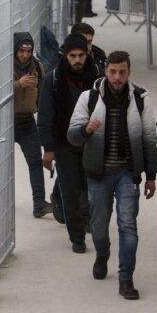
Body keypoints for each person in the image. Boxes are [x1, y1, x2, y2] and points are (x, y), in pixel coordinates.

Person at [67, 51, 157, 300]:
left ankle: (125, 278)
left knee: (128, 225)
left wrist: (151, 175)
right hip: (97, 174)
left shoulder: (140, 98)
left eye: (122, 72)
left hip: (128, 173)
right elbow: (72, 135)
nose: (117, 77)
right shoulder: (90, 97)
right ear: (106, 71)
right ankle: (102, 253)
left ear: (129, 72)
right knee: (98, 226)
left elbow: (149, 138)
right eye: (113, 72)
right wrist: (86, 130)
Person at [38, 34, 100, 253]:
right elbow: (45, 116)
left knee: (90, 188)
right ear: (66, 56)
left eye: (81, 55)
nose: (77, 60)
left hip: (91, 142)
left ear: (87, 55)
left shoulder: (97, 78)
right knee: (71, 191)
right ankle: (77, 236)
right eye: (73, 56)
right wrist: (49, 149)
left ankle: (87, 221)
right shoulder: (53, 79)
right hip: (64, 144)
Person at [13, 32, 53, 218]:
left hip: (27, 122)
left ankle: (39, 203)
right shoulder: (4, 66)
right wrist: (18, 84)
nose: (25, 55)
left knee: (35, 161)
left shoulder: (37, 66)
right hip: (7, 122)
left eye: (28, 51)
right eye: (21, 51)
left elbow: (44, 91)